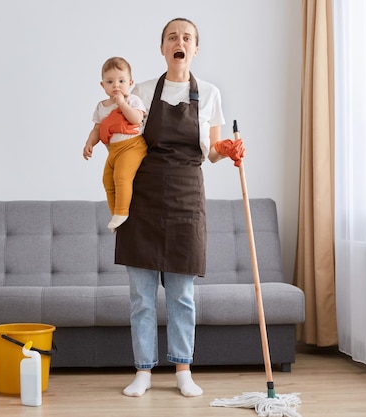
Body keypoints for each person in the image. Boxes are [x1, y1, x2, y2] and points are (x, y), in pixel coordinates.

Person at [114, 17, 243, 397]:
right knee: (141, 295)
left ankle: (183, 369)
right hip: (144, 196)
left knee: (182, 295)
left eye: (186, 37)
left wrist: (230, 150)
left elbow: (214, 150)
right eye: (172, 36)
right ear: (163, 47)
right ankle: (143, 371)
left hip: (187, 197)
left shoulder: (210, 93)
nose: (179, 41)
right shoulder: (140, 90)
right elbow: (124, 140)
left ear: (195, 48)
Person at [83, 57, 147, 232]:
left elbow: (137, 119)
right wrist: (90, 143)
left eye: (121, 81)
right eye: (110, 82)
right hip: (113, 151)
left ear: (130, 82)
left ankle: (122, 212)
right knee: (107, 181)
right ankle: (116, 218)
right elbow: (97, 129)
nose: (116, 85)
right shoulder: (101, 106)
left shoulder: (132, 100)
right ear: (103, 85)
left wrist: (122, 103)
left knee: (121, 176)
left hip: (133, 146)